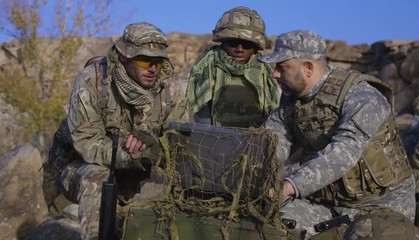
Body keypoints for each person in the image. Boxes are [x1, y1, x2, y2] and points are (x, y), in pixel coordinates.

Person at [259, 30, 416, 238]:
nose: (275, 74)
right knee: (269, 224)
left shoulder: (363, 96)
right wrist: (261, 176)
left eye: (283, 66)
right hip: (328, 204)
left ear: (308, 67)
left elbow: (343, 153)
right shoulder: (290, 102)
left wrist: (290, 186)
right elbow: (272, 143)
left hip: (380, 205)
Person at [53, 22, 186, 240]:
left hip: (141, 172)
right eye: (145, 60)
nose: (153, 68)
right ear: (124, 57)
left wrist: (155, 147)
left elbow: (180, 143)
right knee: (99, 181)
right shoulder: (91, 81)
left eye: (158, 61)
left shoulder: (172, 90)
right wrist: (128, 153)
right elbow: (86, 142)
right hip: (81, 167)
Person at [185, 6, 279, 128]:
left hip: (255, 140)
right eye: (233, 43)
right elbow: (197, 115)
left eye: (246, 44)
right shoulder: (205, 66)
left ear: (256, 47)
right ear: (223, 42)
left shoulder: (267, 74)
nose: (239, 49)